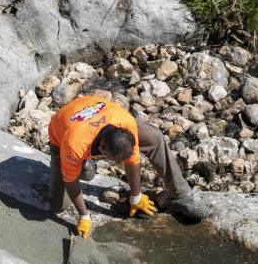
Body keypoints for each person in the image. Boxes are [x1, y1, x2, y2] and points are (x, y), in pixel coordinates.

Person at [48, 95, 210, 238]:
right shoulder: (74, 143)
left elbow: (133, 161)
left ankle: (181, 193)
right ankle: (80, 163)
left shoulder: (126, 123)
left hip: (99, 111)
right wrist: (84, 216)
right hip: (62, 133)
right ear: (102, 150)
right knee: (58, 206)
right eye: (116, 160)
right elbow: (70, 181)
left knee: (154, 137)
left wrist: (136, 197)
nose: (120, 164)